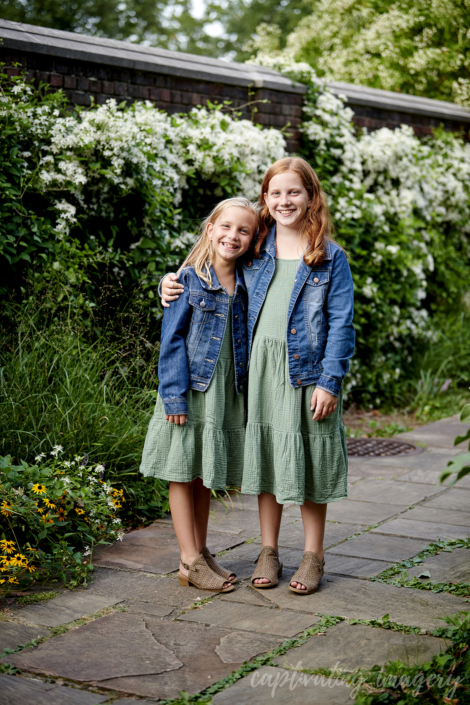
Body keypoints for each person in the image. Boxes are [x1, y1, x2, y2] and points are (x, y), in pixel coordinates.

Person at [161, 157, 355, 596]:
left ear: (310, 197)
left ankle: (312, 555)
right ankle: (268, 550)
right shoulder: (256, 247)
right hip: (260, 369)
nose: (285, 201)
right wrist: (170, 282)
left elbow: (341, 323)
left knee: (309, 457)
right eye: (276, 193)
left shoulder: (329, 256)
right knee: (267, 455)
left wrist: (330, 381)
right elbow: (211, 269)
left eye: (294, 192)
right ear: (265, 198)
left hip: (307, 371)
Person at [142, 197, 258, 593]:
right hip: (189, 389)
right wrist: (173, 396)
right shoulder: (189, 279)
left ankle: (202, 552)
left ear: (253, 238)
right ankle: (188, 559)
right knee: (181, 471)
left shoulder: (246, 282)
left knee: (204, 475)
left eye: (244, 230)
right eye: (226, 227)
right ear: (211, 228)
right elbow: (170, 341)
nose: (233, 236)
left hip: (222, 390)